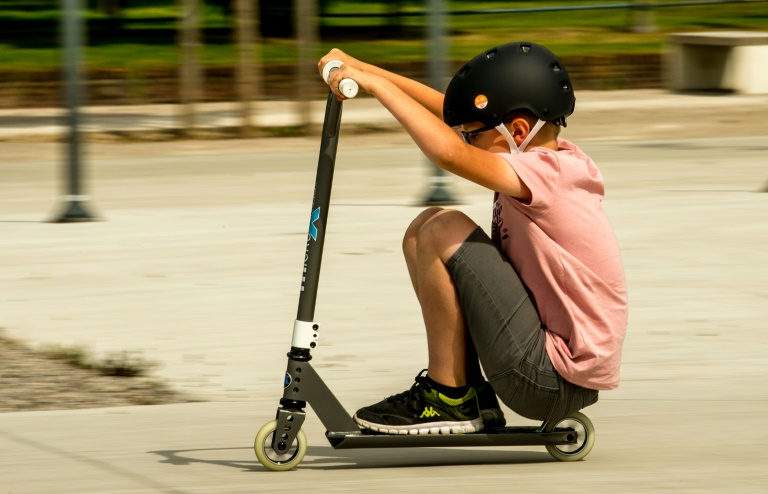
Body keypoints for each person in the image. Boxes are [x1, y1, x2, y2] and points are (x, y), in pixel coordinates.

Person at [318, 42, 628, 435]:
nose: (465, 141)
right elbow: (450, 112)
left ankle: (447, 396)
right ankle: (469, 391)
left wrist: (376, 88)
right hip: (544, 367)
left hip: (549, 378)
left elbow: (448, 153)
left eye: (473, 136)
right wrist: (365, 70)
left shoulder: (552, 172)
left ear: (517, 131)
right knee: (425, 226)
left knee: (442, 228)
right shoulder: (544, 159)